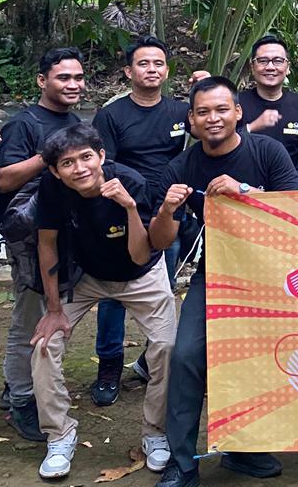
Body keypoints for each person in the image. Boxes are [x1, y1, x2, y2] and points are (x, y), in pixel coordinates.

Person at [151, 77, 298, 487]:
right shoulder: (181, 167)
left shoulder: (267, 152)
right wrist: (167, 210)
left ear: (238, 112)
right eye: (203, 112)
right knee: (185, 356)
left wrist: (246, 192)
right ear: (192, 121)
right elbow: (159, 240)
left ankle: (244, 449)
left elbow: (297, 215)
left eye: (221, 109)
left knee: (260, 358)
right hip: (215, 274)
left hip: (271, 275)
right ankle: (181, 461)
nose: (213, 119)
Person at [30, 125, 177, 480]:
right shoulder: (51, 188)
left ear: (101, 157)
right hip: (88, 277)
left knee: (168, 346)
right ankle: (60, 434)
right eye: (67, 163)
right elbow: (46, 243)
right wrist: (52, 310)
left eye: (86, 158)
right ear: (54, 171)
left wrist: (127, 207)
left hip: (141, 276)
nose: (79, 168)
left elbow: (142, 254)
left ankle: (155, 432)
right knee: (44, 345)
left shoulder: (131, 182)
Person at [89, 36, 203, 406]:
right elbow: (105, 166)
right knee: (113, 293)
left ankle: (152, 362)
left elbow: (212, 134)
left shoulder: (178, 112)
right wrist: (129, 203)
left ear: (166, 71)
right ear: (128, 71)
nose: (151, 70)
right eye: (143, 64)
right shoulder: (112, 115)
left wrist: (203, 88)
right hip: (121, 214)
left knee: (160, 290)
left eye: (158, 64)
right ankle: (109, 366)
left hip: (166, 214)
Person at [0, 47, 86, 442]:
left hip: (63, 230)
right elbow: (3, 180)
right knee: (30, 315)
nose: (73, 85)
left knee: (52, 308)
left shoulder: (75, 120)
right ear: (42, 81)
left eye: (78, 78)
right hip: (28, 234)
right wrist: (49, 156)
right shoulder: (23, 124)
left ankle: (21, 387)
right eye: (64, 78)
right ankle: (20, 399)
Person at [238, 34, 298, 173]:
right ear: (252, 67)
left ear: (287, 67)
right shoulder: (236, 104)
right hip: (241, 184)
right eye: (262, 61)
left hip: (290, 185)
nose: (270, 67)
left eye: (278, 61)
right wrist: (252, 127)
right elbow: (222, 142)